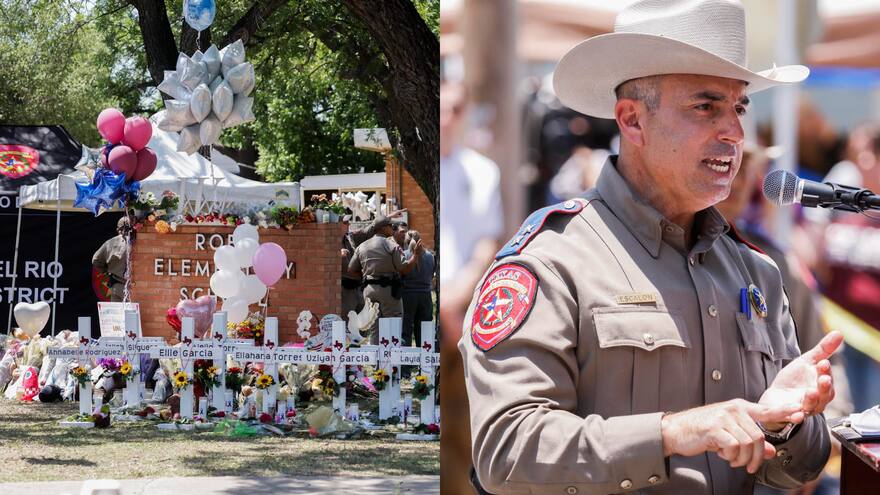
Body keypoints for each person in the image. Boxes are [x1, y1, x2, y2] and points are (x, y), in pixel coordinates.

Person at [459, 1, 842, 493]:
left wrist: (786, 425)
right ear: (632, 120)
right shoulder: (551, 261)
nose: (735, 132)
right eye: (706, 106)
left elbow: (798, 470)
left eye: (739, 107)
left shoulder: (757, 270)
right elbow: (505, 453)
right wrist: (671, 432)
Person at [439, 79, 505, 495]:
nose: (446, 117)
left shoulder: (483, 171)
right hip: (423, 310)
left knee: (466, 430)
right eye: (441, 108)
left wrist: (453, 301)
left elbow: (487, 245)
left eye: (455, 109)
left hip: (463, 316)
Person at [348, 217, 421, 341]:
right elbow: (404, 269)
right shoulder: (391, 245)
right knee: (393, 325)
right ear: (382, 228)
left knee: (375, 327)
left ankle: (377, 359)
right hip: (389, 291)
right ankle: (393, 358)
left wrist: (365, 279)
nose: (392, 228)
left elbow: (351, 269)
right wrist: (415, 256)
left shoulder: (362, 246)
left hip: (369, 290)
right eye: (390, 226)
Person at [341, 210, 407, 317]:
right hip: (345, 289)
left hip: (359, 287)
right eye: (345, 222)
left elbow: (371, 229)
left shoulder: (351, 237)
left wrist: (388, 217)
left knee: (365, 324)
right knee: (347, 321)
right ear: (337, 224)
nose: (348, 224)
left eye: (348, 222)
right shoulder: (331, 240)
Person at [401, 230, 434, 347]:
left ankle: (405, 362)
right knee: (425, 330)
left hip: (408, 297)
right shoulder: (430, 256)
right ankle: (425, 362)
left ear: (406, 241)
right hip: (425, 296)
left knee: (406, 330)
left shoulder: (403, 255)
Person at [92, 216, 132, 302]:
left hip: (117, 287)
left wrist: (106, 271)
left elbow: (96, 260)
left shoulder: (110, 243)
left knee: (117, 315)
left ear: (118, 230)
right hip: (135, 288)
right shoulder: (139, 241)